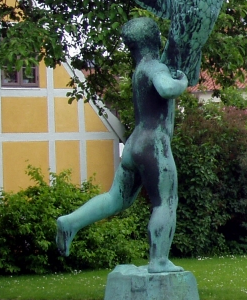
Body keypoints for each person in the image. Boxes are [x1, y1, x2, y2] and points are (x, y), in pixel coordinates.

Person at [56, 17, 189, 272]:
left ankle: (71, 222)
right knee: (166, 201)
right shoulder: (155, 67)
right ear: (155, 39)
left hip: (134, 143)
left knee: (116, 198)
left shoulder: (139, 70)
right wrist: (181, 82)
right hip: (154, 144)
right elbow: (166, 89)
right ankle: (159, 261)